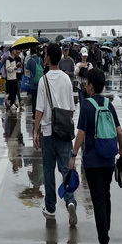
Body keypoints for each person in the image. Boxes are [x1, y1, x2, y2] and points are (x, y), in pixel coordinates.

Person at [69, 69, 122, 244]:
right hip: (109, 158)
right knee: (106, 196)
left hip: (92, 161)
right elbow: (120, 132)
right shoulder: (109, 104)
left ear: (91, 85)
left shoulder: (86, 105)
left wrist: (73, 155)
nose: (85, 85)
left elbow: (81, 134)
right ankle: (105, 233)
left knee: (98, 201)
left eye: (86, 83)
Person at [33, 43, 77, 225]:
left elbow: (39, 109)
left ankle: (50, 207)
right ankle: (70, 200)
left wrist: (36, 130)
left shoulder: (44, 80)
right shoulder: (67, 79)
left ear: (49, 58)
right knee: (65, 168)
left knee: (48, 170)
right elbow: (72, 108)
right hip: (65, 130)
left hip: (48, 132)